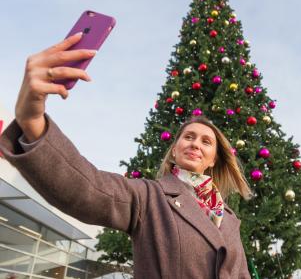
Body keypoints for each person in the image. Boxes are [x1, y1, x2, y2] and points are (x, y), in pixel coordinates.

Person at [0, 33, 253, 278]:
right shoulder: (148, 196)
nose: (195, 143)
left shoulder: (229, 218)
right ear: (174, 150)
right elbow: (86, 188)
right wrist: (32, 122)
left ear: (213, 159)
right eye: (188, 137)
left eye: (206, 141)